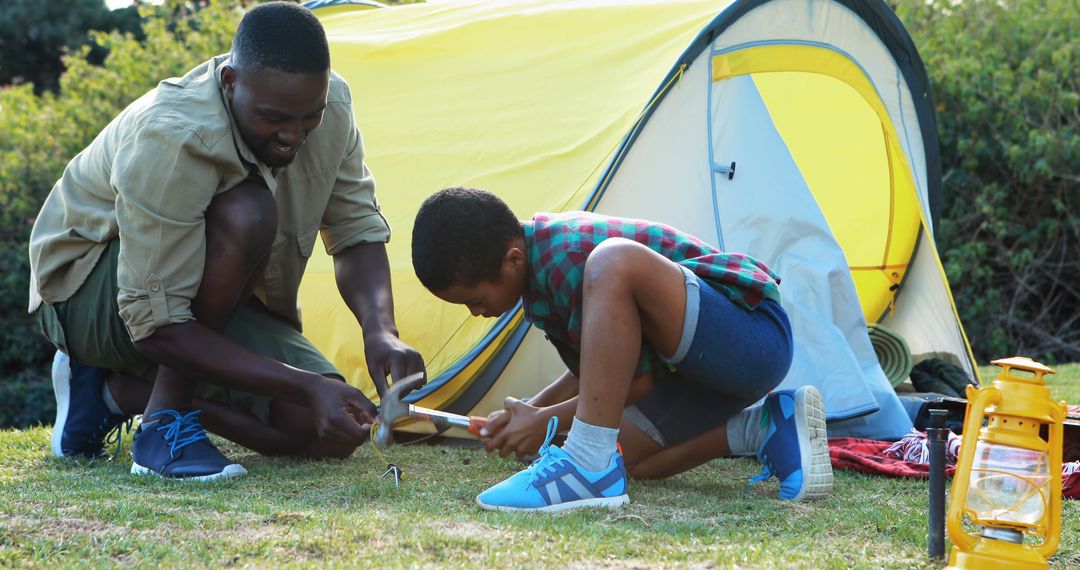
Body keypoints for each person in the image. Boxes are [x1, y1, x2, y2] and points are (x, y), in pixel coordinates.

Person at [29, 2, 425, 481]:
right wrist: (303, 384)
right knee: (247, 213)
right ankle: (160, 426)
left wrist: (379, 329)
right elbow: (156, 322)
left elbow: (355, 230)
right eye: (274, 117)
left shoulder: (332, 105)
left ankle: (115, 394)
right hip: (87, 294)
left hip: (208, 303)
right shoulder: (170, 134)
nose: (292, 136)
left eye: (308, 118)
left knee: (321, 428)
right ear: (231, 82)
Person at [411, 187, 832, 512]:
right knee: (628, 464)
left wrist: (545, 423)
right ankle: (766, 425)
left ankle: (586, 462)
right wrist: (527, 413)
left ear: (513, 260)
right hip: (702, 374)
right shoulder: (538, 285)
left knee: (612, 260)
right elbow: (600, 368)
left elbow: (632, 383)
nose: (475, 313)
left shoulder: (565, 254)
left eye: (477, 300)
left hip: (752, 336)